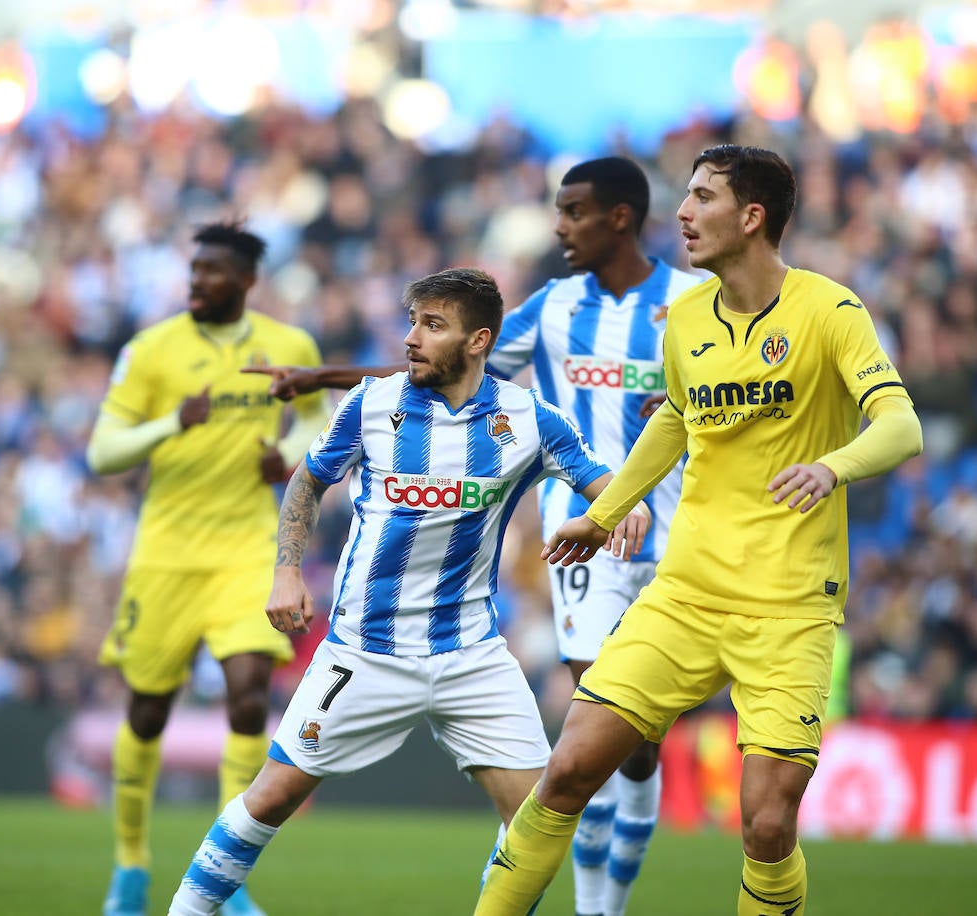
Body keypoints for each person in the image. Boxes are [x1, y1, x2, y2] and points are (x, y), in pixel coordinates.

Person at [474, 145, 924, 915]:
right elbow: (676, 422)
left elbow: (901, 425)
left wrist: (833, 467)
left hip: (787, 607)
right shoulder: (685, 318)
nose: (681, 213)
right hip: (685, 592)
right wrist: (600, 515)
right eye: (684, 197)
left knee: (767, 822)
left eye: (702, 197)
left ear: (751, 218)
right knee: (570, 770)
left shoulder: (830, 310)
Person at [248, 157, 701, 916]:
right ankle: (596, 910)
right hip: (581, 538)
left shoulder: (693, 305)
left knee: (641, 742)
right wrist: (329, 378)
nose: (559, 226)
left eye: (574, 211)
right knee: (596, 724)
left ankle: (606, 881)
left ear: (618, 217)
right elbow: (446, 359)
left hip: (678, 535)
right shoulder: (554, 307)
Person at [166, 267, 651, 916]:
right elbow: (308, 481)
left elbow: (607, 485)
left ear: (478, 340)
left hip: (470, 656)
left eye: (432, 325)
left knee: (537, 821)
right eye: (412, 322)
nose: (412, 339)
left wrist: (620, 509)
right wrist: (286, 570)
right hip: (364, 650)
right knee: (273, 795)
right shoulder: (373, 404)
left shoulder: (529, 420)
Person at [88, 221, 329, 916]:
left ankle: (226, 877)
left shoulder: (289, 347)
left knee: (251, 693)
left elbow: (322, 421)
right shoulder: (151, 350)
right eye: (194, 271)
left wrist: (287, 460)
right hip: (164, 556)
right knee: (146, 711)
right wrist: (172, 423)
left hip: (249, 550)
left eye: (213, 271)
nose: (198, 282)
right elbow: (102, 451)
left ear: (247, 280)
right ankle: (130, 865)